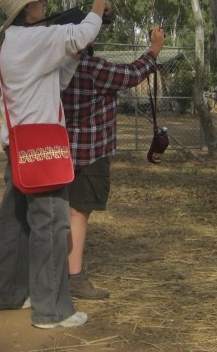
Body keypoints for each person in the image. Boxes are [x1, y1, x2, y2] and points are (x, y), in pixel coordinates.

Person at [0, 0, 111, 329]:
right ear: (27, 9)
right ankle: (52, 310)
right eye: (38, 1)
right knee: (52, 222)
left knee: (14, 221)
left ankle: (3, 293)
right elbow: (78, 35)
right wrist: (97, 8)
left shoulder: (13, 43)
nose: (43, 4)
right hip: (42, 148)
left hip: (18, 145)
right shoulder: (34, 38)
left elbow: (58, 80)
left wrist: (73, 58)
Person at [61, 26, 166, 299]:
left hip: (60, 151)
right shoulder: (93, 68)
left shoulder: (56, 66)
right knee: (78, 214)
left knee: (57, 213)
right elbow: (131, 75)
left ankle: (51, 270)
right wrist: (154, 50)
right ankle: (73, 276)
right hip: (91, 152)